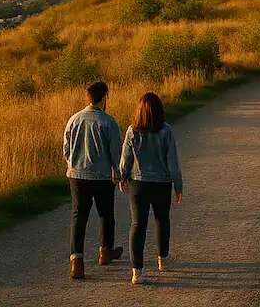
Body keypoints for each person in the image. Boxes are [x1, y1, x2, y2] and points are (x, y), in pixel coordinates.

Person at [119, 92, 184, 284]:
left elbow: (126, 158)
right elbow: (173, 163)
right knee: (162, 220)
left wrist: (122, 177)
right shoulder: (166, 130)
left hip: (138, 183)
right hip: (162, 183)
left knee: (137, 225)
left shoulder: (132, 130)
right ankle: (163, 258)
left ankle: (137, 271)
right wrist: (178, 186)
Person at [63, 81, 124, 280]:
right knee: (105, 213)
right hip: (102, 175)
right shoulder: (108, 121)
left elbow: (66, 150)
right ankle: (105, 251)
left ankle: (76, 262)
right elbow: (116, 151)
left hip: (77, 175)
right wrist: (118, 171)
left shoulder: (74, 119)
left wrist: (73, 164)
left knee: (78, 216)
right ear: (105, 96)